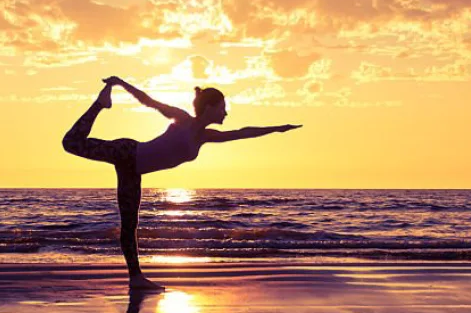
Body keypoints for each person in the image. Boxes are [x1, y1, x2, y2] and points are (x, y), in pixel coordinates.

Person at [62, 77, 301, 292]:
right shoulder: (182, 118)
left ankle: (136, 278)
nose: (225, 114)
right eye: (222, 108)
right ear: (210, 108)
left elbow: (242, 132)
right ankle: (100, 104)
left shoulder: (206, 137)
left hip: (133, 171)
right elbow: (149, 101)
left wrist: (277, 129)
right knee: (70, 143)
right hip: (127, 152)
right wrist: (119, 83)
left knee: (129, 225)